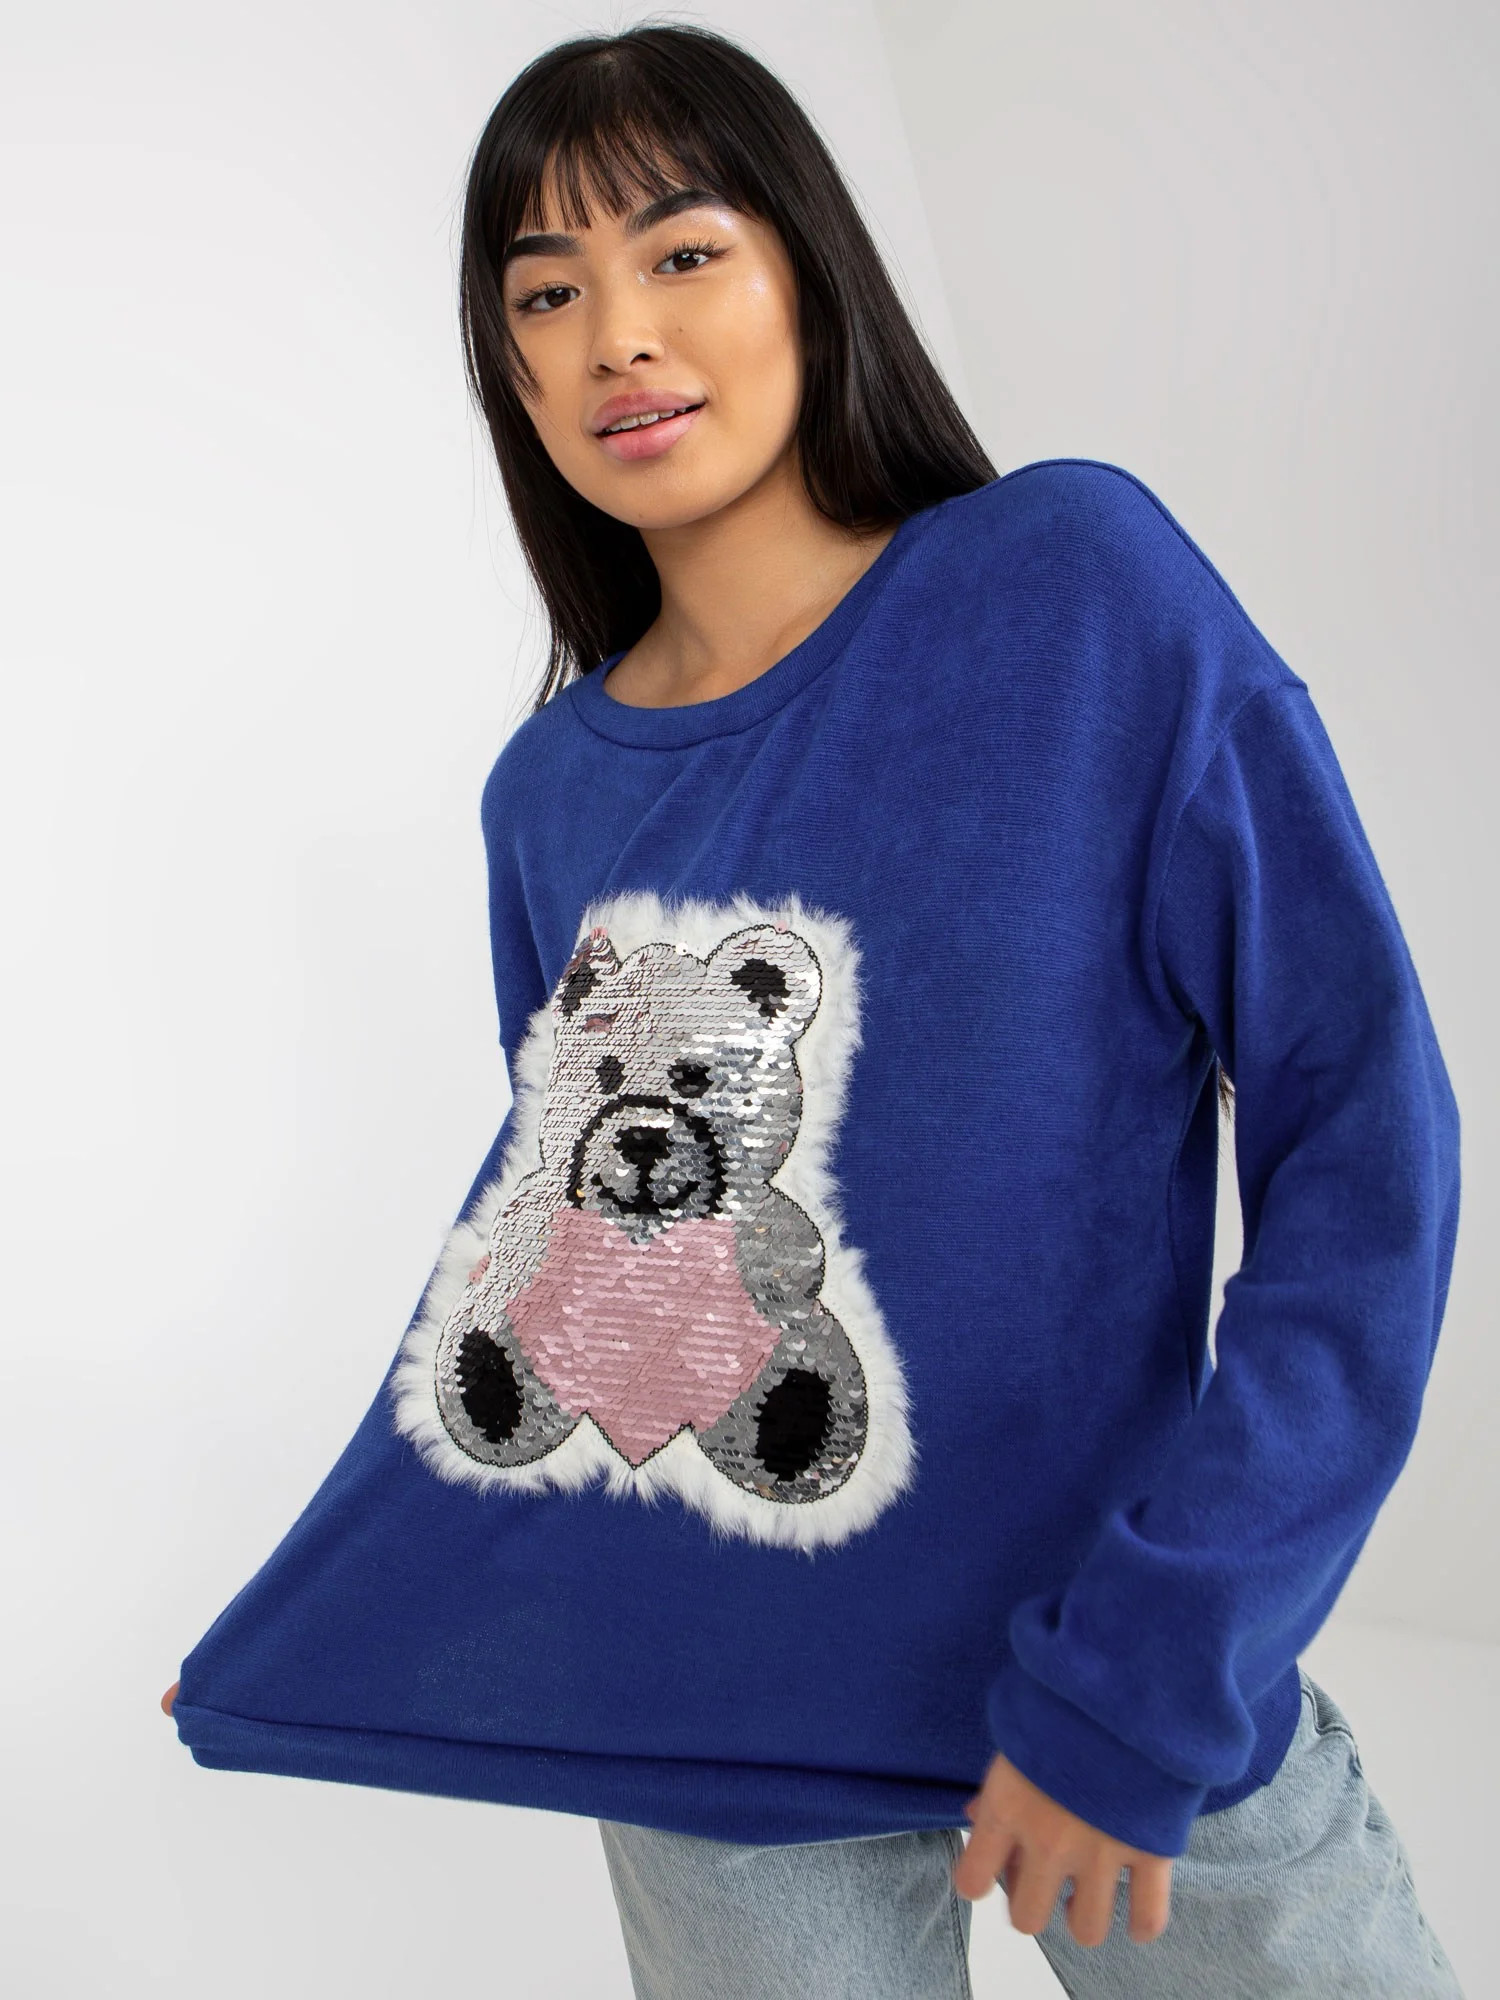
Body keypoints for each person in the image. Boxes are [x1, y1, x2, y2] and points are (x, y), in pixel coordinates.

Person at [163, 22, 1466, 1998]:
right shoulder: (549, 798)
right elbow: (579, 1258)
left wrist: (1168, 1648)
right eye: (545, 292)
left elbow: (1364, 1139)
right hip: (708, 1733)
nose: (617, 333)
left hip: (1125, 1670)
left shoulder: (1077, 593)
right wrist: (334, 1627)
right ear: (509, 367)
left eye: (683, 252)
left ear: (809, 270)